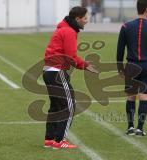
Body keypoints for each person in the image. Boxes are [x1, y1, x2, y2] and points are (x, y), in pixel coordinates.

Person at [43, 6, 98, 149]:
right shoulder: (69, 31)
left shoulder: (64, 28)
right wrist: (84, 65)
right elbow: (70, 57)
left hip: (49, 71)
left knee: (55, 106)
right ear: (77, 18)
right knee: (69, 107)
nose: (87, 21)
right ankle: (60, 141)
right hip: (57, 72)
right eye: (85, 18)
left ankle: (50, 139)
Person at [117, 0, 147, 136]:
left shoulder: (126, 26)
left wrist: (120, 67)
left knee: (131, 97)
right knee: (144, 97)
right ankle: (140, 129)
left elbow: (120, 49)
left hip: (131, 66)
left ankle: (130, 127)